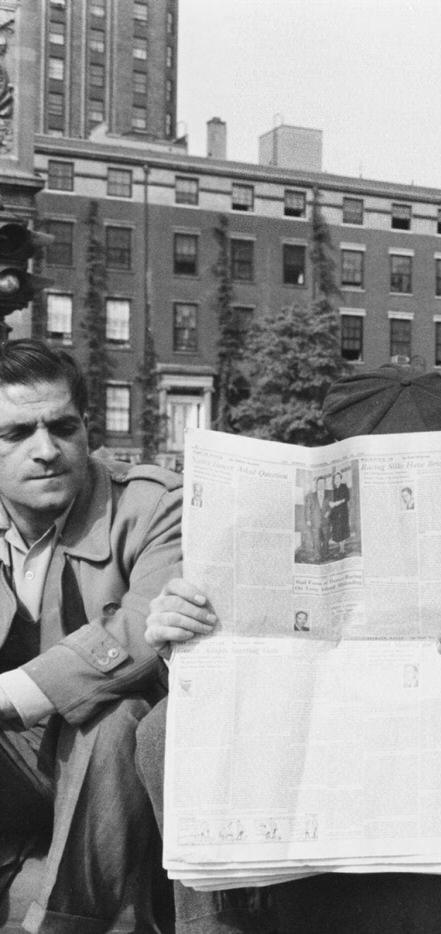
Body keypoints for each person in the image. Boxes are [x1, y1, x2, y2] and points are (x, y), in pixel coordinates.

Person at [136, 365, 441, 934]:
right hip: (311, 748)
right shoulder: (279, 504)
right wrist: (187, 644)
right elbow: (226, 668)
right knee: (162, 731)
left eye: (437, 462)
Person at [0, 339, 181, 933]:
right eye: (17, 434)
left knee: (115, 710)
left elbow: (140, 632)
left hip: (118, 765)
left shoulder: (154, 506)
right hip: (16, 765)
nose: (45, 450)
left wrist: (14, 695)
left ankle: (66, 924)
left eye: (63, 427)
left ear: (87, 430)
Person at [302, 477, 326, 562]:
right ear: (316, 485)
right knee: (316, 538)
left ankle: (323, 553)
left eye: (323, 483)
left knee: (325, 538)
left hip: (326, 521)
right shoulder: (311, 496)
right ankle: (317, 556)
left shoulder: (328, 494)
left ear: (324, 484)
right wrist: (308, 520)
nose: (321, 485)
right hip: (315, 520)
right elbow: (307, 508)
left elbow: (330, 506)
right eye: (319, 483)